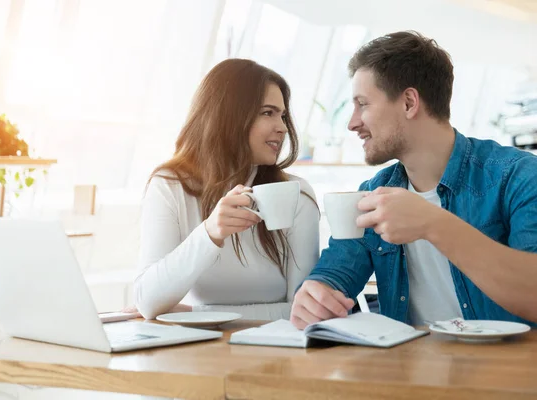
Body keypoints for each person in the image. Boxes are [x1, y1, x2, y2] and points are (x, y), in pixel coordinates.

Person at [290, 31, 537, 329]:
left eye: (363, 104)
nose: (352, 122)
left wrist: (433, 223)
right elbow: (335, 271)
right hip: (408, 371)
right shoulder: (371, 194)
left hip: (503, 372)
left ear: (409, 102)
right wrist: (316, 294)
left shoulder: (520, 176)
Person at [131, 58, 319, 320]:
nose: (283, 127)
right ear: (227, 116)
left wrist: (199, 313)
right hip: (199, 355)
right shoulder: (170, 186)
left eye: (283, 115)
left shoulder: (296, 193)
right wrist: (209, 233)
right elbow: (147, 301)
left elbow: (305, 310)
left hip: (277, 353)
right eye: (268, 113)